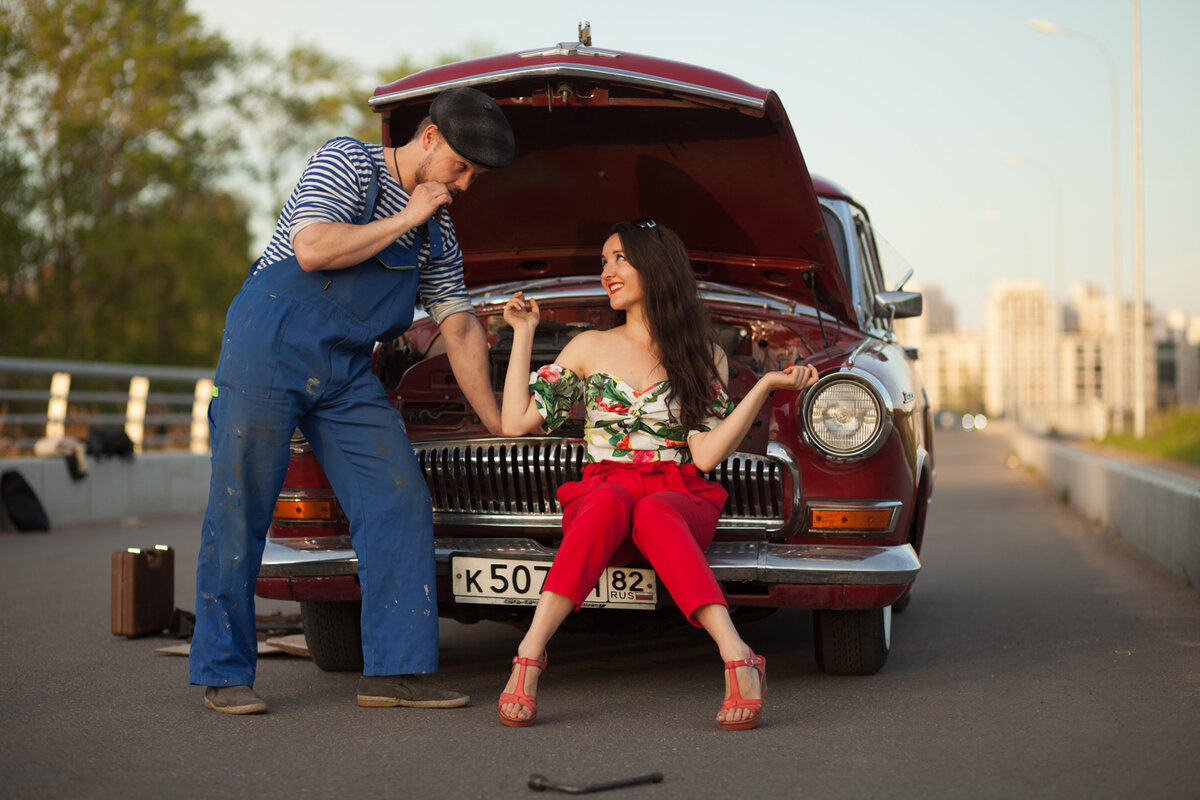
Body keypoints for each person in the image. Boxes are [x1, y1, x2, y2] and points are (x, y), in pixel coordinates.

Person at [189, 87, 515, 715]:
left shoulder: (438, 232)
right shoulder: (347, 161)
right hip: (269, 346)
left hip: (344, 369)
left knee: (397, 497)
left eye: (476, 174)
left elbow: (460, 325)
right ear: (429, 138)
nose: (466, 185)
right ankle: (223, 672)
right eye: (462, 167)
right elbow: (312, 249)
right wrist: (407, 216)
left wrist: (496, 416)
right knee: (239, 508)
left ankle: (394, 671)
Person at [495, 218, 819, 730]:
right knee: (609, 502)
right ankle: (530, 656)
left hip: (677, 500)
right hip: (603, 500)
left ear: (657, 265)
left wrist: (765, 387)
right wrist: (524, 334)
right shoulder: (588, 347)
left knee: (652, 510)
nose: (607, 271)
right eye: (603, 262)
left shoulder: (701, 354)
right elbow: (515, 423)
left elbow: (707, 456)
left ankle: (738, 658)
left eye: (619, 258)